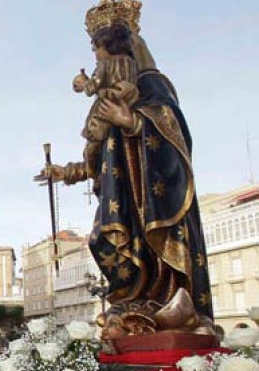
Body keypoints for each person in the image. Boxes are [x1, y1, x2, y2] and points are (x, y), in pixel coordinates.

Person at [37, 3, 215, 340]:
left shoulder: (152, 85)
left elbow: (174, 133)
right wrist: (63, 172)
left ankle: (167, 303)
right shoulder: (109, 96)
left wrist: (132, 121)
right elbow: (98, 160)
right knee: (102, 241)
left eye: (97, 48)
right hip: (120, 194)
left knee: (149, 250)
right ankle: (135, 302)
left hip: (152, 195)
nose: (95, 57)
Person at [73, 23, 139, 188]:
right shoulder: (131, 63)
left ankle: (93, 173)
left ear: (105, 47)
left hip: (107, 110)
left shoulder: (104, 65)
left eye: (95, 49)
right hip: (126, 102)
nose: (95, 54)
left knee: (93, 145)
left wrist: (83, 83)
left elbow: (92, 88)